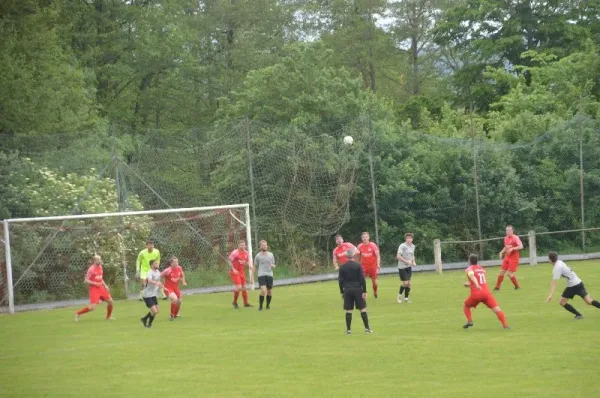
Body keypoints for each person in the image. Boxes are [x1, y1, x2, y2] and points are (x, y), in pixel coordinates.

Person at [545, 251, 600, 319]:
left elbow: (553, 283)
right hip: (579, 283)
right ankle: (579, 315)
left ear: (550, 260)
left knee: (562, 302)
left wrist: (550, 295)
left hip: (572, 286)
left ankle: (578, 315)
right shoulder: (560, 262)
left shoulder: (557, 268)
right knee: (589, 301)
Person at [463, 254, 509, 330]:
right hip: (486, 293)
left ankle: (469, 321)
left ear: (469, 261)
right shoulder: (481, 269)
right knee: (497, 309)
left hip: (476, 294)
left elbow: (472, 276)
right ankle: (505, 325)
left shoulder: (469, 269)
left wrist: (476, 285)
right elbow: (480, 281)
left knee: (466, 306)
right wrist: (470, 284)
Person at [338, 248, 372, 335]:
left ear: (346, 256)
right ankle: (367, 328)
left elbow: (340, 281)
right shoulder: (358, 266)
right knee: (363, 309)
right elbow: (362, 279)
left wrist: (342, 291)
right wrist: (364, 291)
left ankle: (349, 330)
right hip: (357, 289)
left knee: (349, 310)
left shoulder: (342, 267)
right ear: (354, 256)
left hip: (347, 290)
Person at [74, 255, 114, 322]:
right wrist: (95, 284)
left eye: (100, 259)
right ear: (94, 261)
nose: (100, 261)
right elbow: (86, 280)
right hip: (94, 289)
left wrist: (105, 285)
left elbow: (100, 278)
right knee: (92, 308)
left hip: (101, 287)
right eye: (98, 259)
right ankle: (77, 313)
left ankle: (108, 317)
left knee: (110, 301)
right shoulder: (91, 269)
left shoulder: (100, 267)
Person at [494, 225, 523, 291]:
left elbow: (521, 246)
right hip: (507, 257)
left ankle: (517, 286)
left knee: (509, 273)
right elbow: (506, 247)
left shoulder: (516, 238)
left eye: (509, 230)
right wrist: (501, 252)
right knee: (501, 272)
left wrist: (513, 248)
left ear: (512, 231)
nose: (508, 232)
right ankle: (497, 287)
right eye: (507, 230)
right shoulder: (506, 238)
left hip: (514, 258)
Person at [229, 240, 255, 309]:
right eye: (241, 245)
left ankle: (246, 303)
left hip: (241, 272)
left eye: (244, 245)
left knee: (244, 288)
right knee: (239, 287)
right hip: (235, 272)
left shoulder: (246, 253)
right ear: (238, 246)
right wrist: (234, 269)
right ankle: (234, 302)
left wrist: (249, 266)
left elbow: (245, 262)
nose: (243, 246)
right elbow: (229, 261)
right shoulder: (235, 252)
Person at [357, 232, 380, 298]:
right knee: (361, 281)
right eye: (363, 237)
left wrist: (378, 264)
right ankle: (364, 292)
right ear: (361, 238)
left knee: (375, 283)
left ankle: (375, 292)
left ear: (368, 237)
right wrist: (357, 265)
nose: (365, 238)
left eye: (366, 237)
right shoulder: (359, 246)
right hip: (363, 266)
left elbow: (378, 256)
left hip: (372, 266)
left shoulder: (373, 245)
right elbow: (357, 257)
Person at [141, 259, 163, 328]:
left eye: (157, 263)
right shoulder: (150, 272)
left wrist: (160, 284)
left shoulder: (158, 272)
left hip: (153, 295)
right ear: (152, 265)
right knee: (154, 311)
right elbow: (149, 280)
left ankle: (144, 319)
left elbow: (158, 281)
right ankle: (149, 324)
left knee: (156, 311)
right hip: (147, 295)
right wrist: (156, 283)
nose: (157, 264)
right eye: (156, 263)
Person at [255, 240, 276, 311]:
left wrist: (273, 266)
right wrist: (252, 276)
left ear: (267, 246)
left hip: (269, 274)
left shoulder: (271, 254)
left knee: (269, 291)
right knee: (263, 291)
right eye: (263, 245)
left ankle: (267, 305)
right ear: (260, 246)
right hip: (261, 275)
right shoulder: (258, 256)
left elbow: (273, 264)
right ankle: (260, 306)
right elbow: (255, 266)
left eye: (265, 245)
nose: (264, 246)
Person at [396, 233, 416, 303]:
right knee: (405, 283)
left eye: (410, 238)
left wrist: (413, 261)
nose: (409, 239)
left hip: (409, 267)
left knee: (409, 283)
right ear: (405, 239)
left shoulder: (413, 246)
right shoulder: (402, 246)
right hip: (402, 267)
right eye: (407, 238)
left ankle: (406, 299)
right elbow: (398, 256)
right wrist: (406, 261)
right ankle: (399, 296)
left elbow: (412, 255)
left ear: (412, 239)